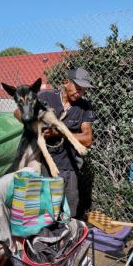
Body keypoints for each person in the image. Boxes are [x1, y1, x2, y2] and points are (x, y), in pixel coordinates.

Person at [13, 67, 94, 218]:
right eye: (77, 88)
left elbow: (88, 139)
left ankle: (69, 238)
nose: (80, 93)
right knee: (44, 209)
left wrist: (57, 133)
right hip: (43, 163)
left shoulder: (84, 107)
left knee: (70, 210)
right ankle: (46, 239)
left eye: (83, 90)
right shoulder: (46, 96)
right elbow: (17, 112)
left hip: (69, 166)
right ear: (66, 83)